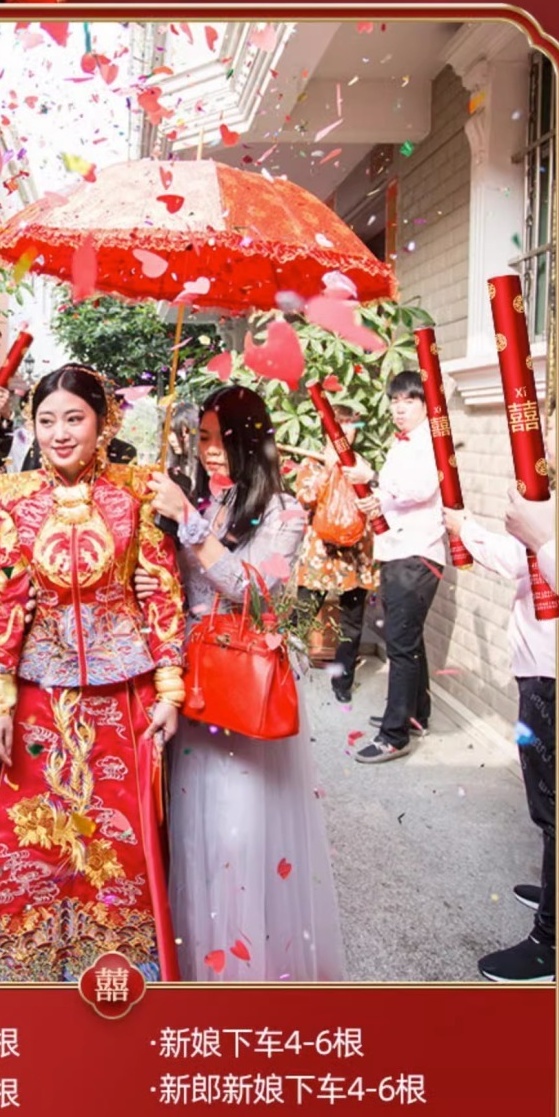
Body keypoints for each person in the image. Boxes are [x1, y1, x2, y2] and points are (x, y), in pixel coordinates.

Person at [0, 362, 186, 982]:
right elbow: (5, 601)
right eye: (47, 421)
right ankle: (29, 968)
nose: (60, 433)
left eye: (74, 418)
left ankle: (118, 967)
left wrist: (170, 688)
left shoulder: (136, 493)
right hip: (40, 695)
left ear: (103, 423)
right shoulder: (17, 499)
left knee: (118, 844)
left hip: (123, 698)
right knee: (33, 841)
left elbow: (162, 591)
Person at [147, 385, 347, 982]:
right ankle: (196, 960)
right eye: (203, 438)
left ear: (250, 440)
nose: (208, 450)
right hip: (192, 680)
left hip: (241, 684)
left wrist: (189, 525)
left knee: (237, 831)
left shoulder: (285, 513)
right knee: (194, 829)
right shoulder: (207, 503)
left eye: (220, 438)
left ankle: (246, 971)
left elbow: (257, 591)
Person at [443, 486, 558, 982]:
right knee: (550, 805)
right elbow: (519, 561)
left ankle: (554, 941)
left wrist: (544, 539)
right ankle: (558, 895)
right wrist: (467, 529)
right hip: (541, 672)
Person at [341, 369, 446, 762]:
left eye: (409, 400)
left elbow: (421, 488)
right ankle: (416, 714)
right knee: (409, 638)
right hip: (400, 549)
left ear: (426, 404)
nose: (399, 408)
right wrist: (377, 498)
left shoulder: (432, 441)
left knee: (400, 646)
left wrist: (372, 476)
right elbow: (396, 494)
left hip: (415, 555)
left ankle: (394, 735)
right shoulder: (404, 442)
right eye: (395, 400)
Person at [292, 403, 378, 703]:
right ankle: (282, 670)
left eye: (351, 426)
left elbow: (374, 501)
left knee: (351, 623)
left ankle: (342, 682)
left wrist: (365, 479)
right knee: (302, 615)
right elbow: (305, 498)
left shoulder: (361, 464)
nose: (345, 432)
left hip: (355, 553)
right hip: (321, 551)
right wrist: (328, 471)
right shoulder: (313, 463)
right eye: (339, 425)